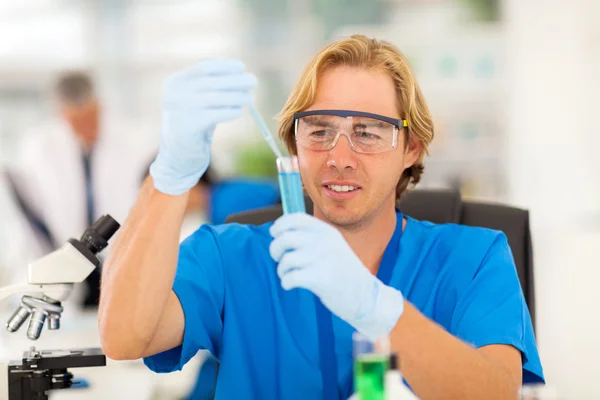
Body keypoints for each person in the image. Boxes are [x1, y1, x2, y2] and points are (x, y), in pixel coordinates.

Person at [99, 36, 544, 399]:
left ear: (411, 149)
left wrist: (378, 310)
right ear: (294, 146)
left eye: (368, 132)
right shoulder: (229, 257)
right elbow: (124, 338)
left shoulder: (473, 258)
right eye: (319, 131)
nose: (339, 157)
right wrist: (171, 174)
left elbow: (498, 394)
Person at [7, 71, 155, 307]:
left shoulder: (135, 140)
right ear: (60, 112)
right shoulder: (39, 145)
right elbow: (34, 214)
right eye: (75, 121)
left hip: (120, 256)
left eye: (90, 117)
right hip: (64, 257)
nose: (85, 129)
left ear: (99, 104)